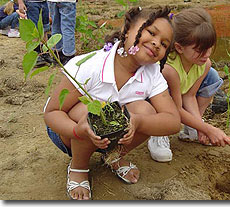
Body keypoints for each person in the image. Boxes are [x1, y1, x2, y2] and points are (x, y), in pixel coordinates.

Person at [44, 6, 180, 200]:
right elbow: (52, 113)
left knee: (146, 111)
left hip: (111, 135)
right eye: (151, 32)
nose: (157, 43)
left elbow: (173, 122)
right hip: (69, 132)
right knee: (94, 111)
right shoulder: (89, 65)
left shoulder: (152, 74)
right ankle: (79, 167)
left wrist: (138, 121)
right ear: (127, 30)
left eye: (165, 44)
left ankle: (113, 156)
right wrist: (78, 130)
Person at [148, 7, 230, 162]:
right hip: (158, 101)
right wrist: (207, 129)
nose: (206, 54)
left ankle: (192, 126)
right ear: (179, 47)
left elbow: (189, 95)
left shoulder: (204, 63)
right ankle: (159, 133)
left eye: (210, 47)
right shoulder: (169, 70)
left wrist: (199, 125)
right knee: (162, 106)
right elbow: (176, 109)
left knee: (212, 76)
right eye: (200, 50)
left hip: (179, 98)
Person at [17, 0, 54, 65]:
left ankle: (45, 53)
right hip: (31, 3)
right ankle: (36, 54)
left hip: (44, 3)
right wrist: (20, 3)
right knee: (34, 30)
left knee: (45, 28)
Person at [47, 0, 77, 65]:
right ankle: (68, 55)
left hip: (52, 1)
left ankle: (57, 53)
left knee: (55, 26)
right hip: (68, 1)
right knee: (68, 28)